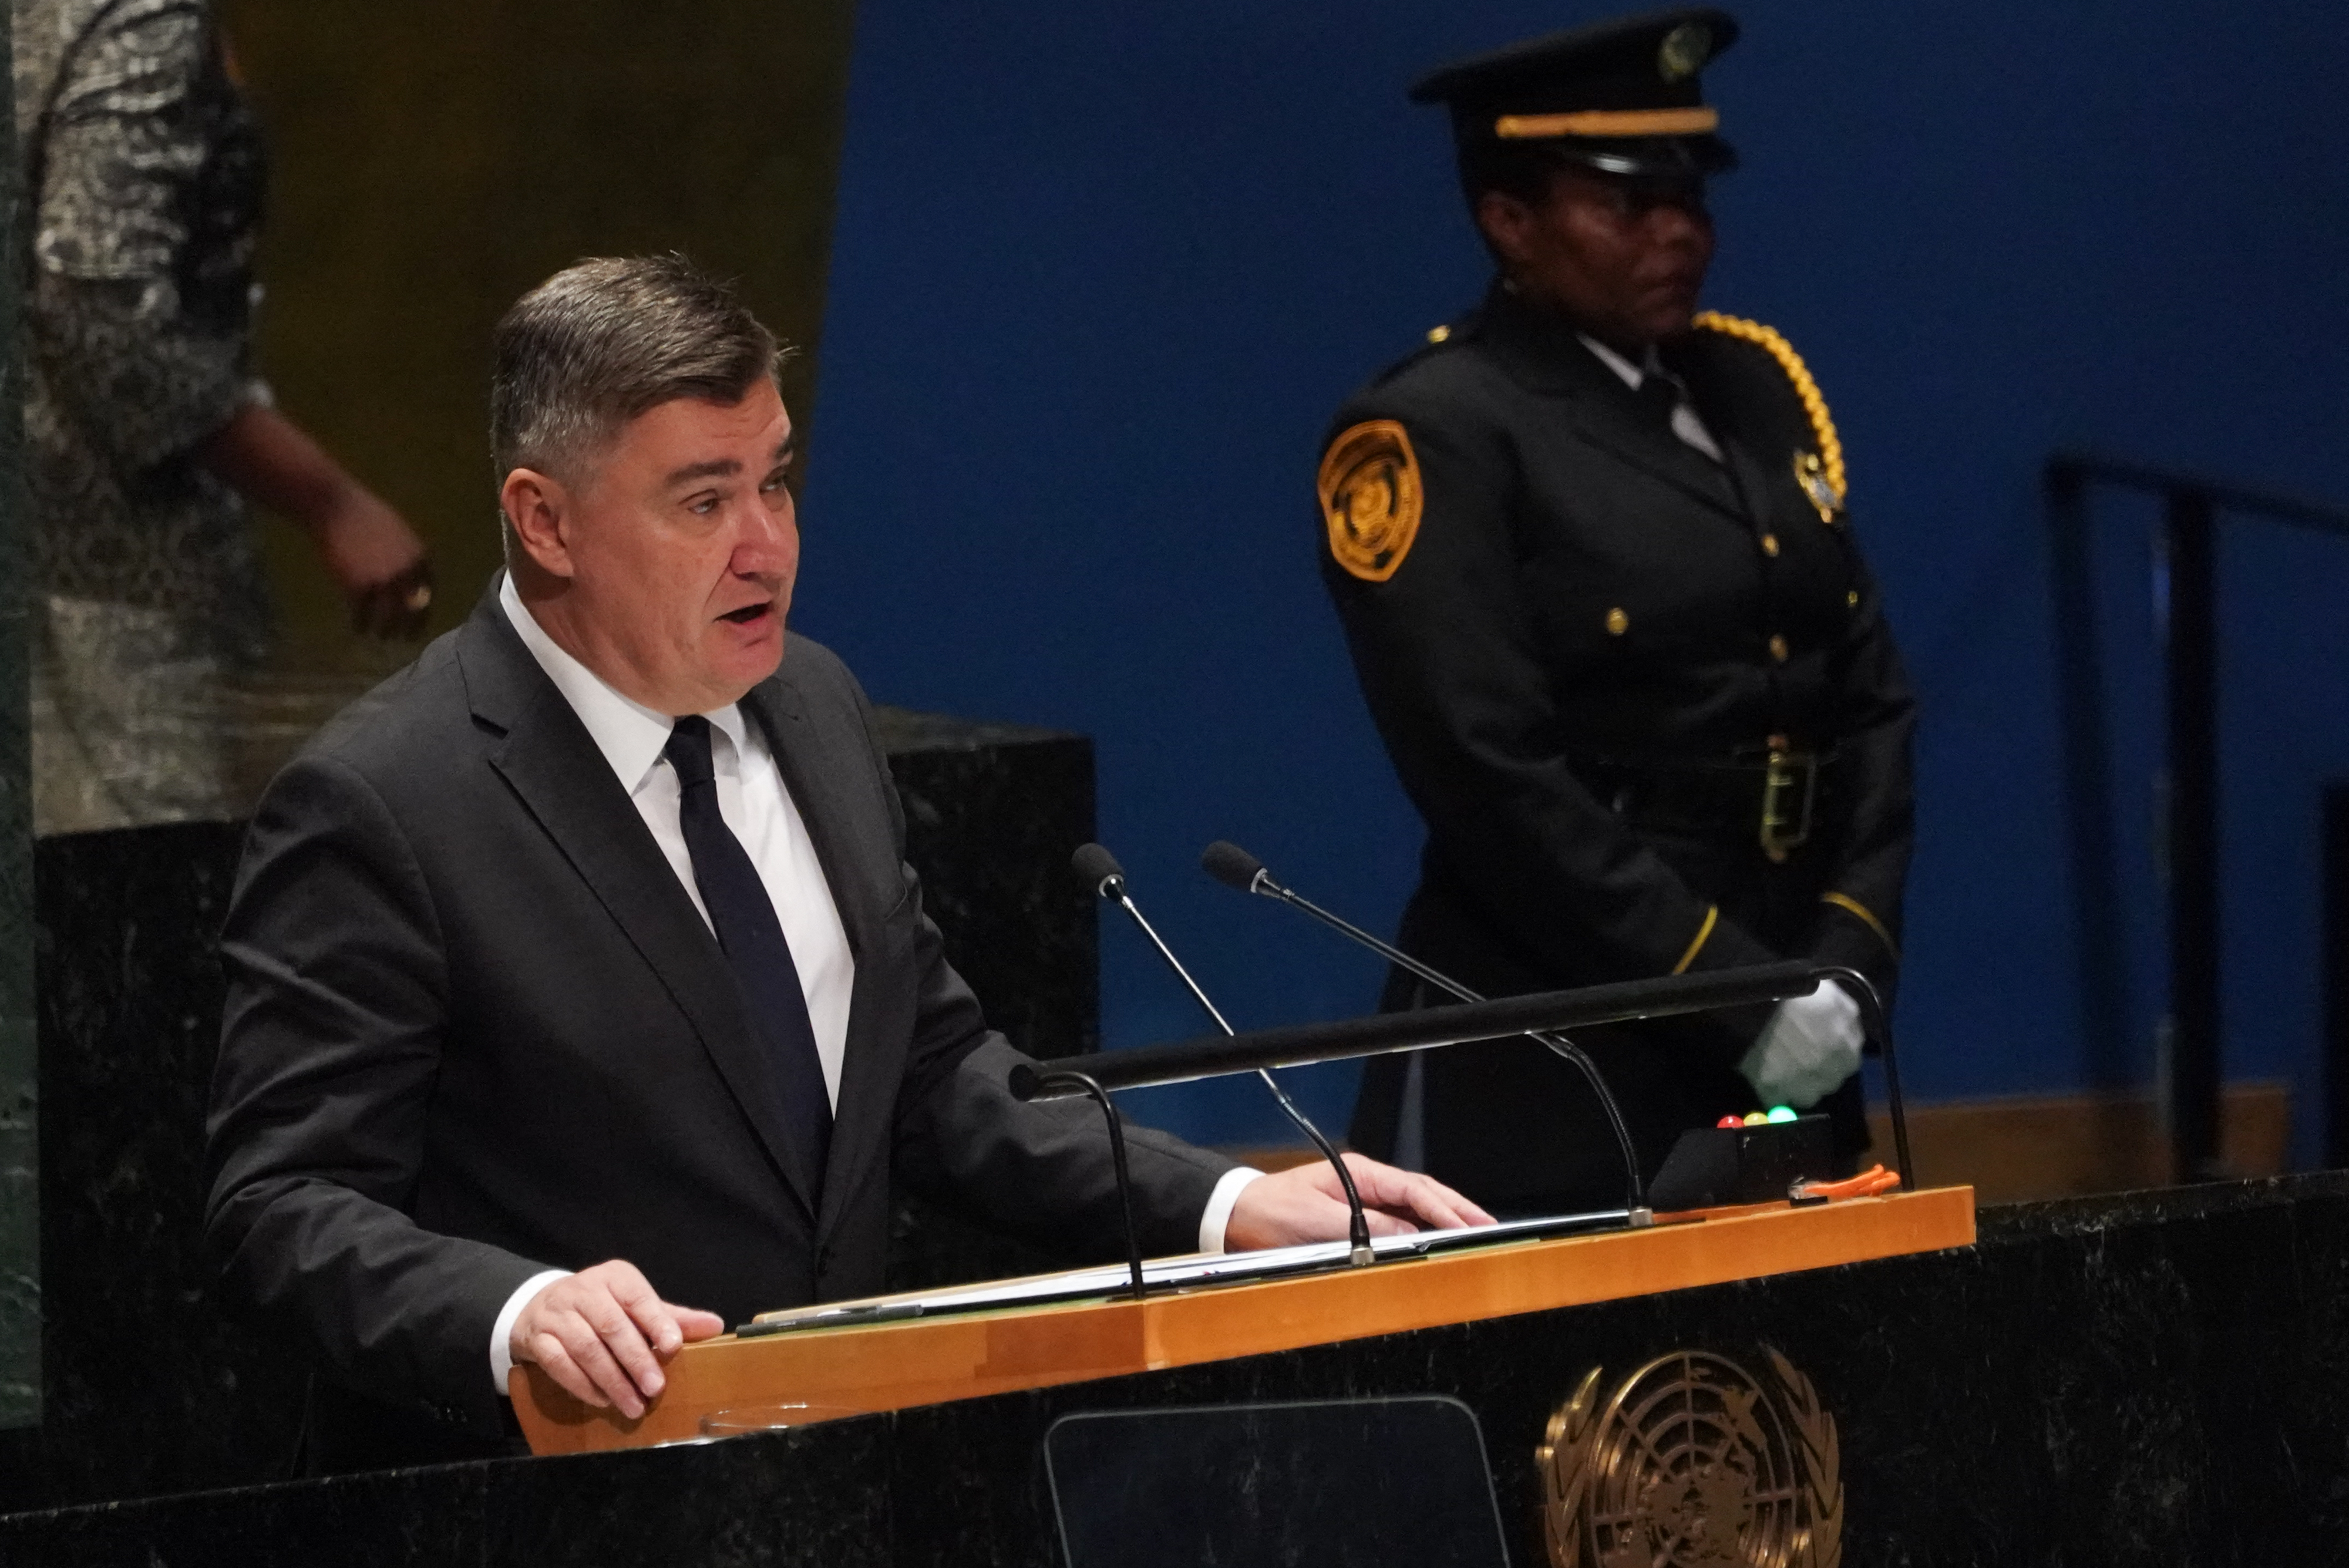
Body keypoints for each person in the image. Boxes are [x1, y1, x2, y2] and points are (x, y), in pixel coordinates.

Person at [206, 255, 1487, 1472]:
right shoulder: (388, 800)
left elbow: (927, 1078)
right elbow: (284, 1204)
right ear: (544, 523)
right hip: (541, 1497)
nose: (764, 544)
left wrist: (1224, 1208)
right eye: (703, 500)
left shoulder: (811, 705)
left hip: (836, 1480)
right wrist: (516, 1307)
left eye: (775, 482)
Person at [1319, 10, 1916, 1214]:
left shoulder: (1748, 387)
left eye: (1688, 198)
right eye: (1625, 204)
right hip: (1561, 1032)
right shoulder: (1438, 429)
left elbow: (1868, 699)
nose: (1677, 232)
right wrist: (1736, 996)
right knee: (1574, 1399)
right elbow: (1489, 776)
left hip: (1803, 1006)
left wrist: (1845, 962)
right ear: (1509, 223)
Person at [15, 0, 431, 834]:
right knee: (147, 913)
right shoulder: (136, 18)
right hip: (114, 587)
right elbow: (98, 312)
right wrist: (331, 502)